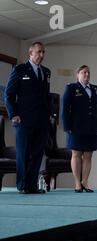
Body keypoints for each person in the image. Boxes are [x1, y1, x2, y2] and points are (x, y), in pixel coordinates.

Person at [4, 42, 51, 194]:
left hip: (42, 120)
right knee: (23, 153)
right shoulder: (19, 70)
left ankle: (32, 185)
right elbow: (9, 94)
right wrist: (13, 115)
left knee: (37, 154)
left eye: (43, 52)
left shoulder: (46, 72)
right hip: (23, 120)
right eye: (38, 52)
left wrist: (49, 116)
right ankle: (23, 185)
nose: (41, 55)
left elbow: (46, 97)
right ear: (30, 53)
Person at [62, 65, 97, 193]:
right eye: (83, 72)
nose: (86, 74)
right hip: (76, 127)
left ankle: (85, 182)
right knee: (76, 154)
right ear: (78, 74)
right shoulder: (71, 88)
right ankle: (77, 183)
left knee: (88, 155)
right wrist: (66, 126)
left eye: (88, 72)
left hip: (92, 127)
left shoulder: (96, 89)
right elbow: (64, 108)